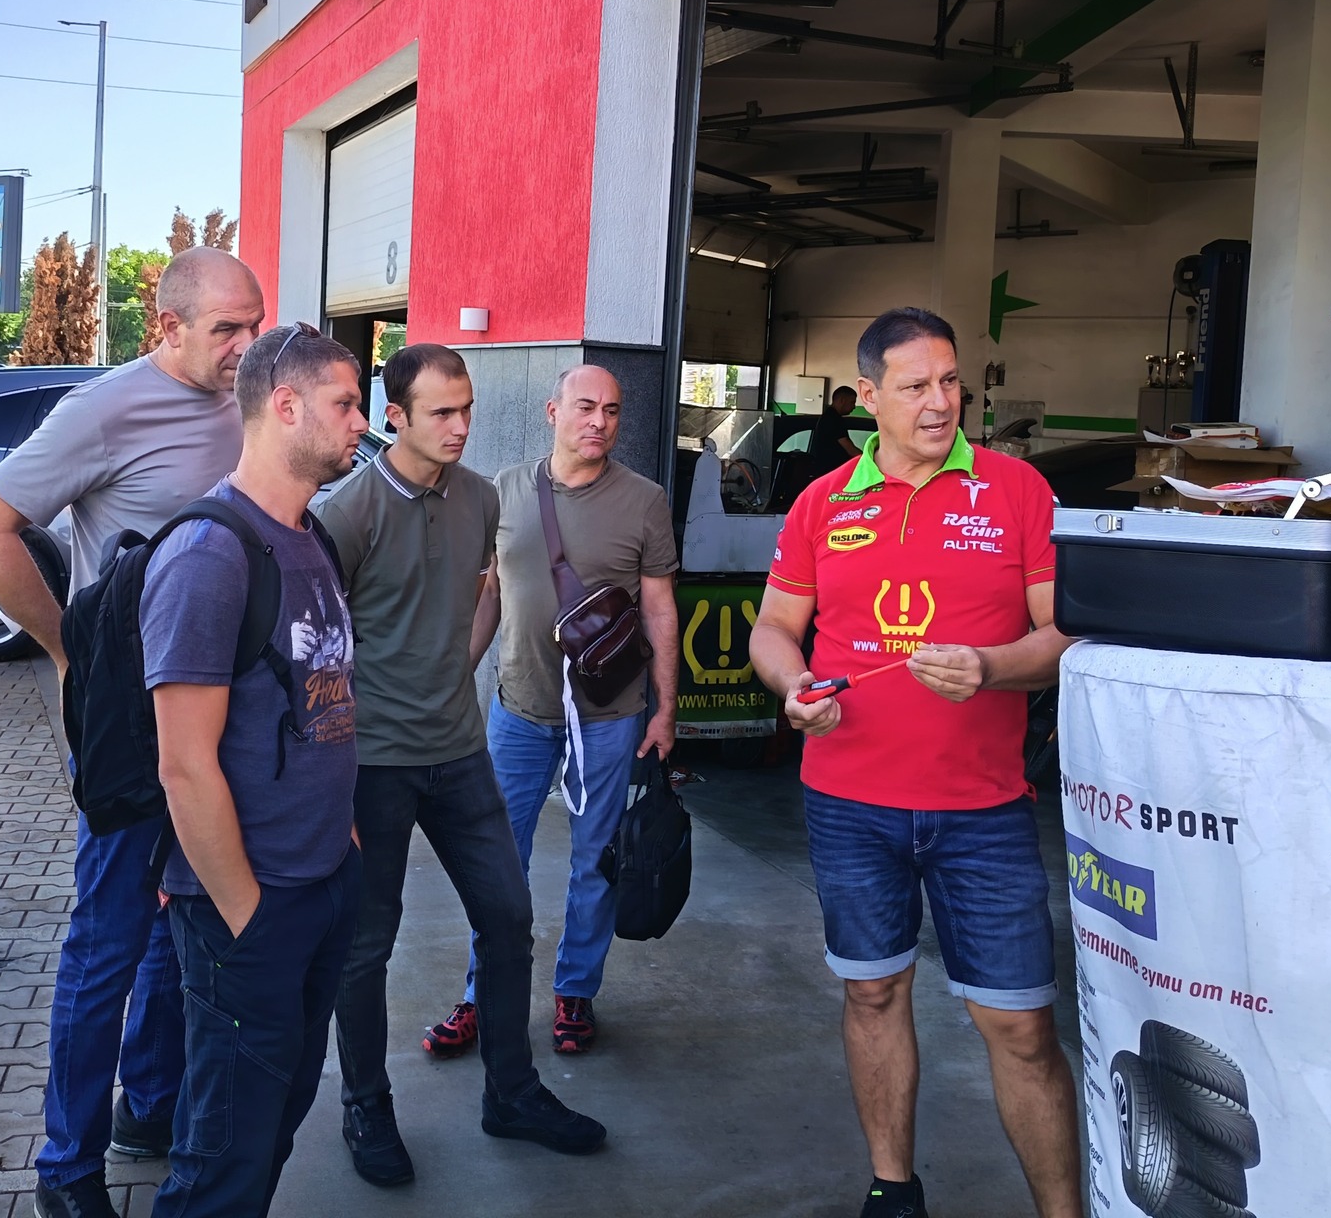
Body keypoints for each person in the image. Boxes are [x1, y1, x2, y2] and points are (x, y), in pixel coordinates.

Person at [0, 247, 264, 1218]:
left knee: (183, 918)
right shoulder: (106, 409)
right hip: (131, 724)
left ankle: (150, 1105)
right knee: (110, 941)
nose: (246, 345)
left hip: (219, 716)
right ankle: (66, 1168)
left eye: (255, 325)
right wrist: (66, 650)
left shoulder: (247, 400)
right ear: (166, 327)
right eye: (226, 329)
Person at [748, 307, 1079, 1218]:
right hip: (849, 803)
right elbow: (774, 628)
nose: (941, 403)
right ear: (868, 396)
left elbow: (1064, 634)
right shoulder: (824, 502)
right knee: (873, 994)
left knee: (1020, 1024)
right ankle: (893, 1189)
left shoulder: (1016, 491)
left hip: (984, 808)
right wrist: (792, 684)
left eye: (951, 382)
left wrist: (991, 668)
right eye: (916, 386)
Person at [318, 345, 606, 1187]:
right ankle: (366, 1106)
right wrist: (325, 775)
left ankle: (511, 1095)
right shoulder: (347, 512)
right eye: (441, 412)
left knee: (508, 919)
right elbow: (312, 649)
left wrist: (455, 670)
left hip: (459, 751)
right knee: (366, 945)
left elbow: (482, 589)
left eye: (467, 408)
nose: (460, 426)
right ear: (394, 416)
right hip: (372, 765)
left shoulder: (481, 498)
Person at [145, 322, 369, 1217]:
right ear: (286, 407)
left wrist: (342, 847)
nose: (362, 422)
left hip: (320, 882)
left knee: (274, 1123)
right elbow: (183, 765)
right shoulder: (208, 556)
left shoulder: (311, 537)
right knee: (223, 1158)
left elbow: (320, 703)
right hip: (249, 907)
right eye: (346, 403)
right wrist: (248, 914)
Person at [445, 363, 679, 1057]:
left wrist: (666, 709)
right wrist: (455, 678)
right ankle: (481, 994)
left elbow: (660, 609)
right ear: (553, 411)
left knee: (594, 860)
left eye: (612, 410)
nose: (599, 421)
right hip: (518, 709)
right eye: (585, 406)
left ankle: (575, 992)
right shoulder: (506, 490)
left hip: (608, 714)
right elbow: (490, 593)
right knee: (497, 861)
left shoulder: (644, 501)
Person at [805, 384, 865, 478]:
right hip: (831, 472)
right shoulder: (834, 419)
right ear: (842, 400)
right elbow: (850, 449)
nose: (854, 407)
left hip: (827, 471)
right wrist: (868, 460)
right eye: (852, 402)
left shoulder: (828, 416)